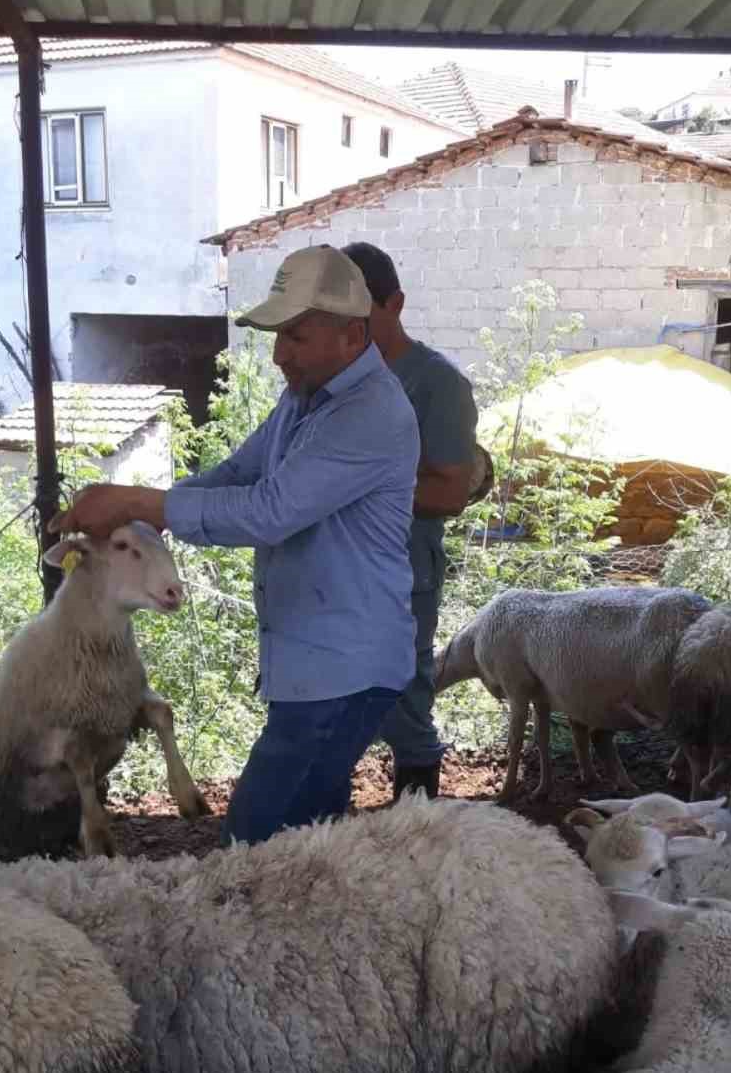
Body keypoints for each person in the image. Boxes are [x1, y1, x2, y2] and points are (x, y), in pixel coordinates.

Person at [53, 244, 420, 847]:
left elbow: (269, 512)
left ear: (352, 337)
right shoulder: (306, 395)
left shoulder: (369, 413)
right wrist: (147, 520)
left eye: (295, 337)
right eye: (279, 337)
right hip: (320, 666)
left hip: (341, 672)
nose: (279, 355)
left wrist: (138, 504)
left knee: (250, 845)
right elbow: (240, 473)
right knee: (309, 841)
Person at [342, 242, 478, 801]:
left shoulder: (438, 384)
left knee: (405, 698)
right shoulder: (332, 378)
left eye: (360, 315)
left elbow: (450, 491)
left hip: (404, 572)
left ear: (394, 304)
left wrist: (351, 487)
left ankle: (417, 828)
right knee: (331, 696)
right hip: (337, 568)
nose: (349, 330)